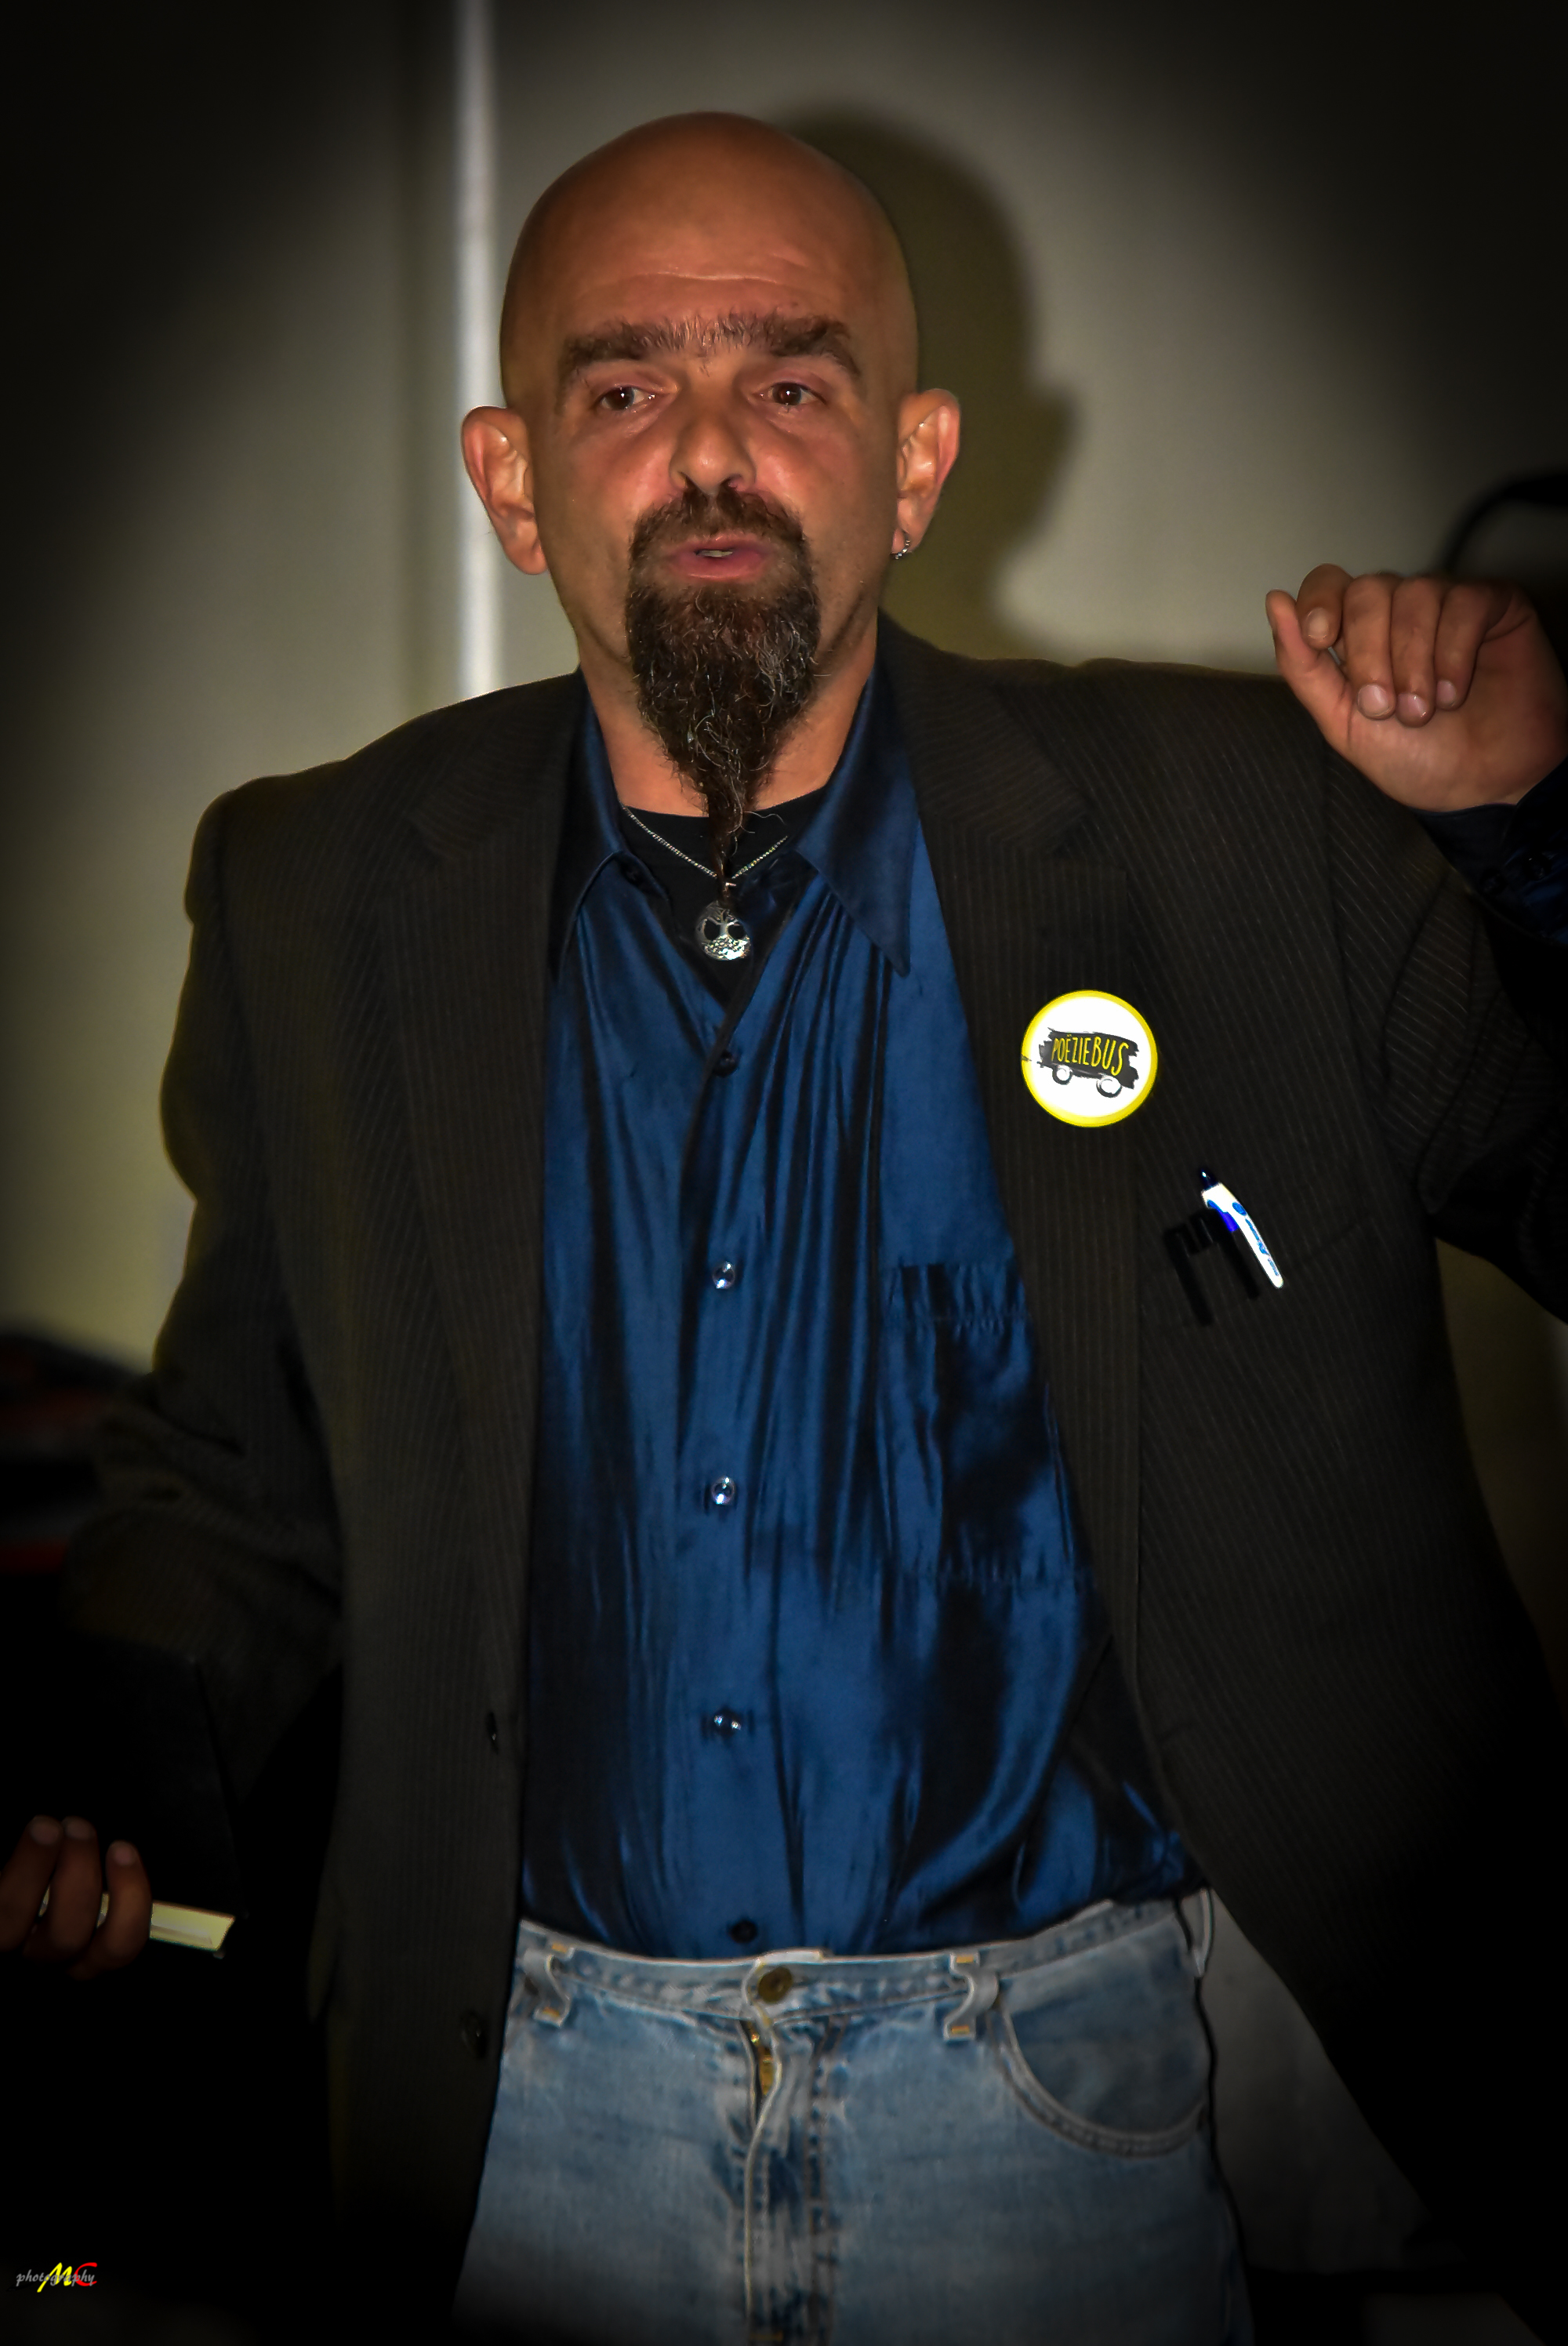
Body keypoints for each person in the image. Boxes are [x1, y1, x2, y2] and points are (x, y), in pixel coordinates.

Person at [3, 111, 1566, 2346]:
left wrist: (1529, 831)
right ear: (513, 479)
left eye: (793, 378)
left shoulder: (1249, 839)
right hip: (512, 2123)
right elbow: (238, 1468)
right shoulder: (317, 895)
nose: (713, 452)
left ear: (914, 465)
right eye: (628, 385)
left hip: (1050, 2124)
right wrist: (101, 1778)